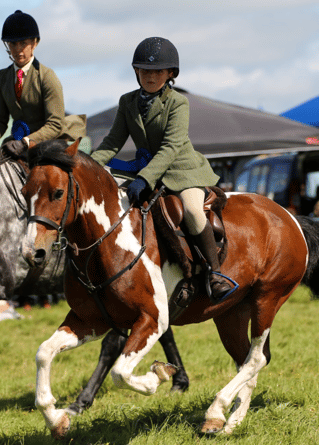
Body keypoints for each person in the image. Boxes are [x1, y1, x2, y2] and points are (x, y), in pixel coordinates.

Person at [90, 37, 232, 301]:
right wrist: (87, 166)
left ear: (170, 74)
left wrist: (144, 178)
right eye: (144, 70)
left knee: (190, 209)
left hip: (182, 170)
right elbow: (112, 142)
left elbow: (171, 146)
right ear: (136, 72)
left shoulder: (178, 103)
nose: (150, 76)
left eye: (157, 71)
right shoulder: (127, 101)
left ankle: (215, 273)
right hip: (146, 170)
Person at [0, 10, 81, 157]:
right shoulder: (1, 78)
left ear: (34, 43)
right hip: (15, 144)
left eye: (23, 43)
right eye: (13, 44)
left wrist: (25, 142)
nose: (17, 50)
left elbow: (55, 124)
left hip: (47, 146)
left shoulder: (47, 76)